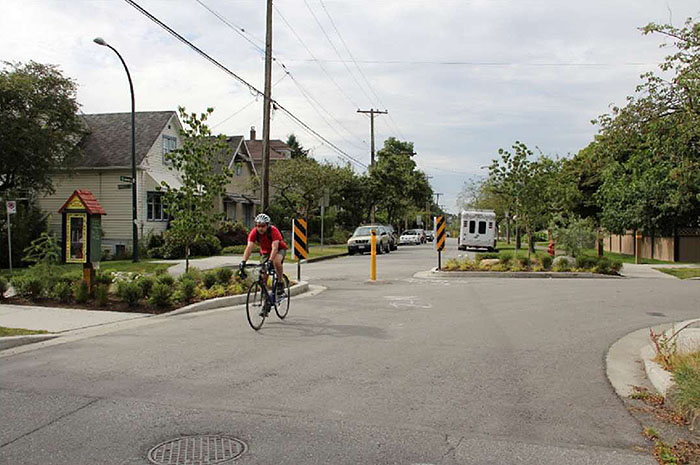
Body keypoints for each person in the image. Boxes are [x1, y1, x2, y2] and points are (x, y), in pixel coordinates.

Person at [239, 213, 288, 295]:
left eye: (263, 226)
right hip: (265, 252)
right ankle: (265, 299)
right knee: (263, 276)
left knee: (276, 262)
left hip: (279, 249)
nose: (260, 228)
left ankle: (280, 282)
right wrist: (243, 261)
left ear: (267, 225)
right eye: (258, 226)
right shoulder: (254, 232)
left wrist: (270, 261)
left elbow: (275, 248)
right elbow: (249, 247)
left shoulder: (273, 231)